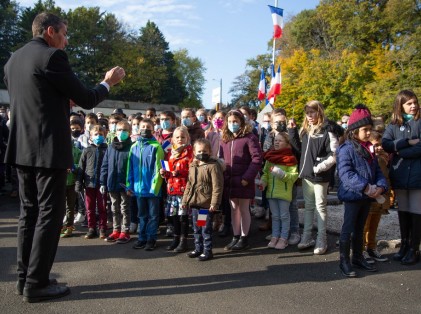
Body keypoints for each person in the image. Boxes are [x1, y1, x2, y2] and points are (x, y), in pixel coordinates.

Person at [3, 12, 125, 302]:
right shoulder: (51, 57)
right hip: (48, 151)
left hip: (22, 149)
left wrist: (59, 98)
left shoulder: (13, 60)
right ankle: (37, 283)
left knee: (28, 214)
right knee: (49, 214)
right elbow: (87, 98)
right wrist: (107, 82)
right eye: (64, 33)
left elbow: (35, 98)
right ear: (49, 31)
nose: (66, 40)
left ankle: (25, 278)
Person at [337, 104, 387, 277]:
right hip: (353, 196)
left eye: (369, 129)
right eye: (365, 129)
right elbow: (346, 173)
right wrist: (366, 186)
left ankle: (357, 257)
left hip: (367, 196)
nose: (368, 133)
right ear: (354, 130)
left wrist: (380, 186)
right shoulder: (346, 149)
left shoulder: (368, 148)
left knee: (360, 228)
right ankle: (344, 260)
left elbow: (378, 170)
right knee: (348, 228)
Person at [289, 100, 339, 255]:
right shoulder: (305, 131)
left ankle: (321, 239)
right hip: (306, 176)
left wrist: (318, 168)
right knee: (309, 207)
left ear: (320, 112)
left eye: (312, 112)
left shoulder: (327, 131)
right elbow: (300, 150)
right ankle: (307, 237)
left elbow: (334, 155)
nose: (309, 115)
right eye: (307, 112)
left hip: (319, 176)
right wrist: (292, 132)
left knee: (320, 207)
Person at [382, 90, 421, 265]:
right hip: (400, 174)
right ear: (400, 105)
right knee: (403, 210)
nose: (413, 106)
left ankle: (414, 248)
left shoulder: (420, 121)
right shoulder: (393, 125)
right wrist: (407, 143)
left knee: (416, 211)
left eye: (415, 102)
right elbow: (386, 144)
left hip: (417, 174)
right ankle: (404, 244)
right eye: (409, 103)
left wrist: (399, 150)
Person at [219, 110, 262, 251]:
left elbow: (257, 159)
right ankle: (235, 236)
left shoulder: (249, 138)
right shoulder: (225, 139)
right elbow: (221, 160)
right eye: (230, 122)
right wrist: (224, 176)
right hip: (230, 181)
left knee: (244, 209)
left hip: (244, 180)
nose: (233, 124)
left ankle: (244, 238)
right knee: (233, 210)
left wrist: (247, 178)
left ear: (241, 122)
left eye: (235, 121)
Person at [182, 138, 224, 261]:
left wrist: (214, 203)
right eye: (199, 151)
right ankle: (198, 248)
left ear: (210, 151)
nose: (202, 153)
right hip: (195, 203)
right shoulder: (193, 165)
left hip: (205, 204)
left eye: (205, 151)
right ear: (194, 152)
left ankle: (207, 250)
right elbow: (189, 185)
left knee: (205, 228)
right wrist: (185, 200)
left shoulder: (213, 166)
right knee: (197, 227)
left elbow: (218, 186)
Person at [129, 119, 164, 251]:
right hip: (138, 190)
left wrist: (154, 188)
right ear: (138, 129)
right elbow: (130, 168)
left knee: (153, 216)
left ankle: (151, 239)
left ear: (153, 129)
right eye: (142, 126)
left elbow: (158, 169)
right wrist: (130, 185)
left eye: (148, 127)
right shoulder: (134, 147)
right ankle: (141, 238)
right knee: (141, 216)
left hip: (152, 190)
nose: (145, 128)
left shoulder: (156, 147)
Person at [259, 132, 298, 250]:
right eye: (275, 140)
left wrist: (282, 174)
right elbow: (265, 173)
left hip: (284, 193)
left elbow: (294, 176)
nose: (276, 142)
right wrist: (263, 182)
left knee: (284, 216)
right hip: (271, 192)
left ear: (287, 144)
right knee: (275, 216)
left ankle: (284, 238)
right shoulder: (270, 157)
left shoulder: (290, 158)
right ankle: (275, 236)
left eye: (280, 141)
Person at [160, 126, 193, 252]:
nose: (180, 139)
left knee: (183, 217)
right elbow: (167, 170)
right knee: (173, 216)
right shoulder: (169, 154)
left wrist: (180, 172)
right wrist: (164, 172)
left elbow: (193, 170)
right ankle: (176, 238)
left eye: (183, 137)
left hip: (184, 190)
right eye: (177, 137)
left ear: (188, 138)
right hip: (172, 190)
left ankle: (183, 241)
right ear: (173, 139)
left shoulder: (190, 152)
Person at [100, 120, 133, 244]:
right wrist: (103, 182)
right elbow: (105, 165)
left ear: (129, 132)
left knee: (125, 208)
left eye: (124, 130)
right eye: (119, 130)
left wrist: (131, 184)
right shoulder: (110, 147)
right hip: (112, 182)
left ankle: (125, 231)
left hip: (125, 184)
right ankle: (116, 230)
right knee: (114, 208)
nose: (121, 132)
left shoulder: (131, 147)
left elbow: (134, 167)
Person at [362, 130, 390, 264]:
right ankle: (361, 249)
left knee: (374, 224)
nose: (379, 147)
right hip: (370, 196)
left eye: (380, 145)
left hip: (381, 196)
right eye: (376, 145)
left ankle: (371, 247)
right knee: (365, 225)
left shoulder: (383, 158)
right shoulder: (369, 159)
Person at [76, 125, 108, 239]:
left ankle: (102, 228)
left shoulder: (107, 150)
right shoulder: (87, 150)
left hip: (102, 184)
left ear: (105, 136)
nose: (98, 136)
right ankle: (91, 228)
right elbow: (81, 168)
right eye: (96, 134)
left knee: (102, 207)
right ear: (91, 136)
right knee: (89, 208)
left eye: (101, 134)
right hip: (89, 184)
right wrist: (78, 183)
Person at [60, 123, 82, 238]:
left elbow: (81, 165)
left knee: (70, 206)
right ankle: (60, 225)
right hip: (61, 182)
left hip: (72, 182)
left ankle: (69, 225)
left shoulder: (77, 151)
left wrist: (73, 167)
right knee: (60, 206)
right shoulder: (59, 150)